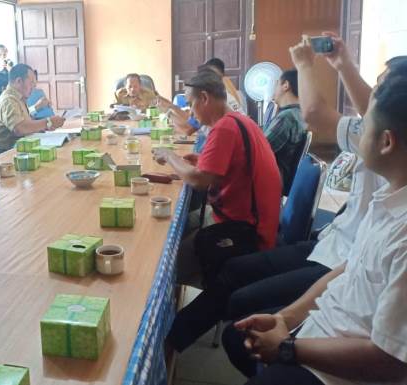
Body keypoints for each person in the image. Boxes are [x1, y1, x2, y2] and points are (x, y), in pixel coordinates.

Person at [165, 32, 407, 358]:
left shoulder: (396, 211)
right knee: (221, 271)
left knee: (199, 262)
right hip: (331, 244)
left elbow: (386, 356)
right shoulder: (385, 174)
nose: (371, 96)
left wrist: (307, 63)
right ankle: (178, 334)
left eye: (380, 88)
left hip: (281, 238)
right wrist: (342, 62)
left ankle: (169, 338)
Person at [229, 66, 407, 385]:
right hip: (318, 330)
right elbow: (348, 269)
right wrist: (286, 318)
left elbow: (390, 361)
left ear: (386, 142)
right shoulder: (386, 198)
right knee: (237, 338)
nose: (356, 130)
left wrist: (288, 350)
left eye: (364, 126)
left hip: (337, 373)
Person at [153, 71, 281, 281]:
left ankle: (188, 294)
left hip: (248, 232)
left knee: (167, 263)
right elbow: (226, 167)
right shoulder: (237, 120)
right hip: (252, 218)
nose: (190, 113)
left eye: (191, 104)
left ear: (204, 98)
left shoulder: (225, 128)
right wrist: (203, 159)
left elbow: (198, 180)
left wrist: (169, 156)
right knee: (177, 222)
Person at [0, 64, 65, 153]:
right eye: (31, 83)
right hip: (8, 152)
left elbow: (27, 122)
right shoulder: (8, 100)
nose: (33, 87)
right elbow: (20, 128)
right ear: (19, 81)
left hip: (23, 146)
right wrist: (48, 122)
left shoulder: (19, 98)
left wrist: (44, 127)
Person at [264, 69, 307, 195]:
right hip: (281, 176)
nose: (274, 89)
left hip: (271, 179)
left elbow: (259, 150)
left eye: (277, 84)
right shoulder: (299, 114)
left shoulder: (287, 117)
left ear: (286, 85)